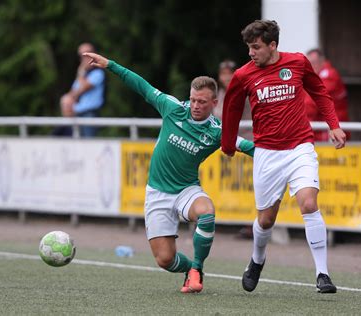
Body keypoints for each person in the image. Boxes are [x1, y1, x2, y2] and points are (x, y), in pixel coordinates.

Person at [83, 52, 255, 293]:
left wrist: (278, 158)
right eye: (193, 99)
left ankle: (196, 269)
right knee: (165, 260)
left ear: (214, 104)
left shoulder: (218, 130)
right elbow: (142, 86)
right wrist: (110, 65)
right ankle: (187, 270)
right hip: (157, 193)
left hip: (187, 189)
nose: (195, 106)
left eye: (202, 102)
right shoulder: (173, 108)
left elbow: (247, 146)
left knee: (207, 213)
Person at [221, 20, 346, 294]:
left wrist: (334, 124)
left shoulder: (298, 63)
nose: (251, 53)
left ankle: (322, 273)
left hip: (300, 146)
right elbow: (230, 109)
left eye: (256, 47)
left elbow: (320, 92)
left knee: (309, 203)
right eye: (249, 48)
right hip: (267, 153)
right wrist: (228, 144)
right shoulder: (244, 75)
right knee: (266, 220)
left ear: (273, 45)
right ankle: (257, 259)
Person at [61, 43, 106, 137]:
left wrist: (81, 72)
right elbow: (72, 93)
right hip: (77, 114)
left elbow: (82, 88)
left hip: (89, 114)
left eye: (86, 55)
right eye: (81, 56)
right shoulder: (83, 76)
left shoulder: (98, 73)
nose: (83, 59)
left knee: (89, 145)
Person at [304, 48, 350, 141]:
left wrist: (296, 121)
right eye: (308, 63)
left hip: (332, 131)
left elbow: (313, 102)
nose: (310, 66)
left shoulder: (329, 75)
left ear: (322, 61)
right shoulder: (314, 77)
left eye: (313, 62)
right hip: (324, 129)